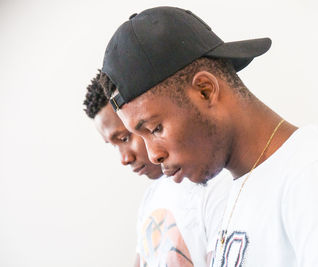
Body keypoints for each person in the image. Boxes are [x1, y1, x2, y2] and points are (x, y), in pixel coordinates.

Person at [99, 6, 318, 267]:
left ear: (205, 91)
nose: (153, 155)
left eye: (155, 128)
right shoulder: (238, 190)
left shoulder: (315, 173)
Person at [83, 71, 232, 267]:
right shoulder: (151, 198)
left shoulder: (214, 183)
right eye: (114, 145)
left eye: (125, 138)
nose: (124, 159)